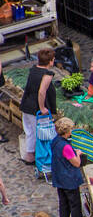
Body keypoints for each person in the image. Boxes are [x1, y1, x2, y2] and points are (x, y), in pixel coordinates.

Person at [19, 48, 58, 179]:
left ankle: (29, 156)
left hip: (26, 104)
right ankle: (36, 157)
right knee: (38, 133)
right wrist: (42, 108)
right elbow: (42, 92)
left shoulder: (33, 69)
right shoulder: (46, 74)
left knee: (29, 131)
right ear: (51, 61)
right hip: (35, 107)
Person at [48, 119, 84, 217]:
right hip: (69, 180)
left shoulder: (55, 141)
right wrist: (77, 153)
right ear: (67, 131)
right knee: (75, 205)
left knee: (63, 202)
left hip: (59, 178)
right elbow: (77, 163)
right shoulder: (66, 146)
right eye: (71, 129)